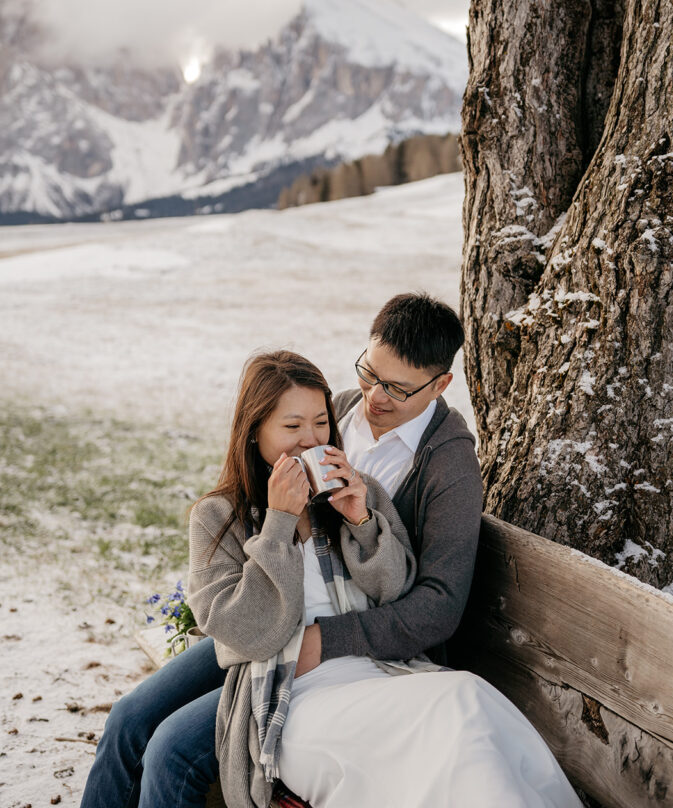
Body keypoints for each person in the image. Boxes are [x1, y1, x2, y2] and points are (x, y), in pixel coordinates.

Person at [80, 293, 485, 805]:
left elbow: (435, 604)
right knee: (129, 719)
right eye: (368, 373)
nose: (374, 397)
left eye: (397, 389)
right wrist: (275, 523)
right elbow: (241, 604)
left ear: (440, 385)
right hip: (266, 621)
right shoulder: (334, 411)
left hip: (345, 642)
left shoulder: (446, 467)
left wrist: (327, 631)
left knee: (170, 749)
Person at [187, 347, 581, 807]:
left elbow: (397, 590)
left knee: (469, 701)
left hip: (384, 672)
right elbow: (245, 635)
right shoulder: (219, 517)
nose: (310, 440)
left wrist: (361, 522)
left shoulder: (359, 492)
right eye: (291, 427)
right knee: (453, 708)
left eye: (320, 423)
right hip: (295, 696)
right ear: (254, 432)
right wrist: (277, 524)